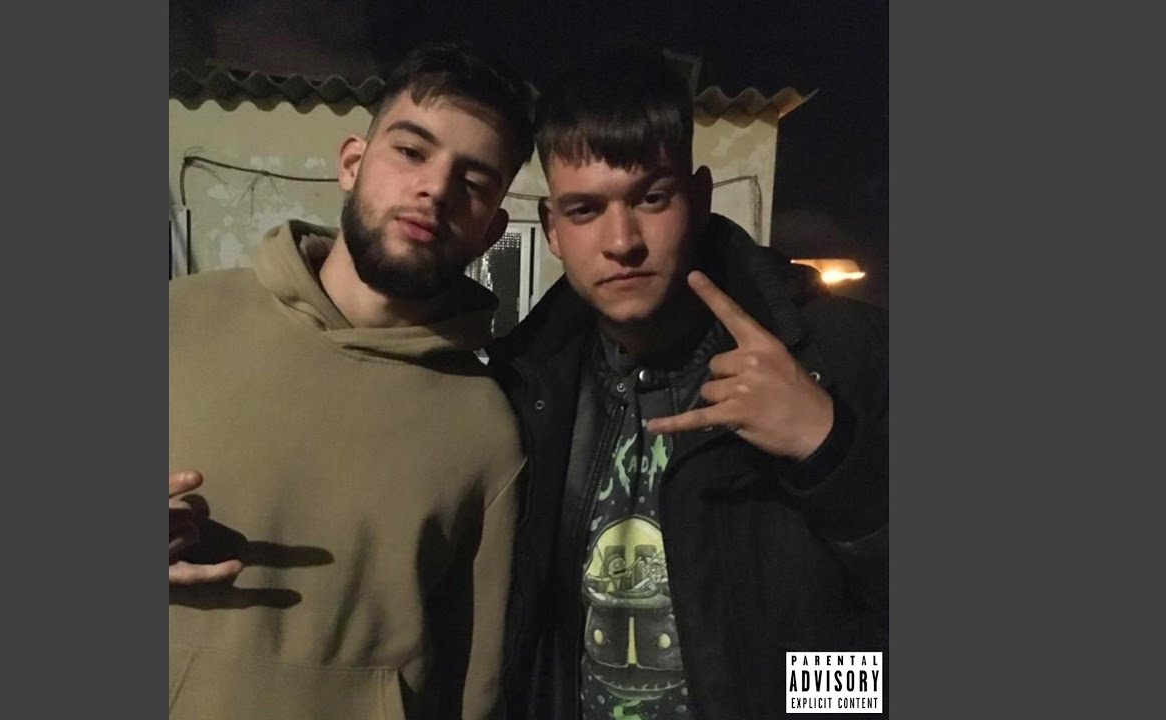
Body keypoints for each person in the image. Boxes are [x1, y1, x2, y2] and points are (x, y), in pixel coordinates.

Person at [488, 48, 888, 720]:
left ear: (698, 199)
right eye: (584, 210)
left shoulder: (844, 354)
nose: (622, 241)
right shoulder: (527, 387)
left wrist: (830, 448)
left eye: (651, 198)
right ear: (552, 229)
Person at [166, 42, 535, 720]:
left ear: (492, 230)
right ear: (351, 163)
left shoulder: (485, 430)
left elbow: (475, 689)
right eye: (411, 151)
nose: (435, 189)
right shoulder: (176, 320)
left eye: (474, 181)